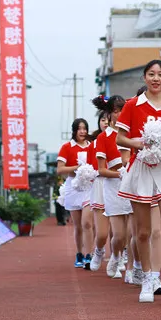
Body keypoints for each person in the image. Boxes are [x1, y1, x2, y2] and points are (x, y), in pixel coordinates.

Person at [116, 60, 161, 303]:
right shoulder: (133, 105)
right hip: (142, 170)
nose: (156, 78)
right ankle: (147, 278)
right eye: (151, 74)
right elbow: (120, 138)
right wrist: (141, 143)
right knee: (143, 232)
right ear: (145, 77)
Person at [91, 95, 131, 278]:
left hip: (133, 186)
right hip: (113, 187)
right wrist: (119, 174)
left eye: (122, 109)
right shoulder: (103, 137)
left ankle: (133, 268)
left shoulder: (132, 132)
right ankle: (115, 255)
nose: (119, 114)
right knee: (119, 235)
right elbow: (101, 170)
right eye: (115, 111)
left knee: (133, 234)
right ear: (109, 113)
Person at [57, 118, 95, 269]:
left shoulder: (92, 147)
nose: (83, 131)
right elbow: (60, 169)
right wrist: (77, 168)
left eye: (85, 128)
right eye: (79, 129)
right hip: (73, 187)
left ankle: (89, 255)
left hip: (89, 189)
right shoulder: (67, 147)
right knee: (78, 225)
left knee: (87, 223)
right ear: (74, 131)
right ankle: (79, 253)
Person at [88, 112, 112, 271]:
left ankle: (119, 257)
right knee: (102, 233)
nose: (105, 122)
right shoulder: (94, 144)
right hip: (100, 185)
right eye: (102, 120)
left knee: (121, 232)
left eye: (108, 119)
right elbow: (91, 169)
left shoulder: (123, 139)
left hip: (119, 183)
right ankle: (99, 250)